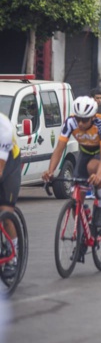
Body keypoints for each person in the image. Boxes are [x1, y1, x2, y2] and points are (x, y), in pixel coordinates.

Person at [42, 97, 101, 235]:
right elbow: (59, 148)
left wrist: (99, 174)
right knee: (76, 198)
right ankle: (83, 233)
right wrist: (50, 171)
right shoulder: (70, 122)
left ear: (93, 117)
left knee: (93, 167)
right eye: (78, 119)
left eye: (85, 120)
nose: (80, 123)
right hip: (85, 152)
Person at [0, 112, 21, 280]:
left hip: (9, 163)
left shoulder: (4, 126)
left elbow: (1, 168)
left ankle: (13, 258)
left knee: (6, 213)